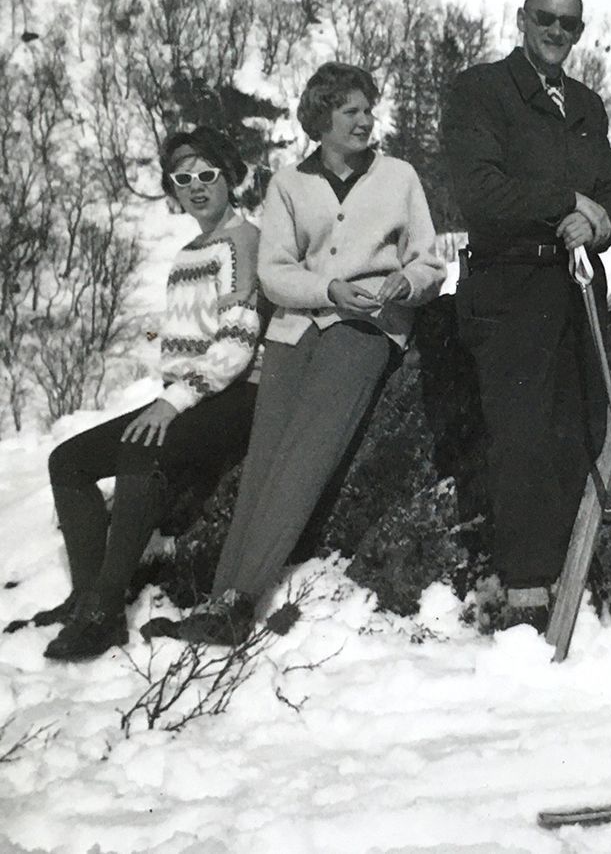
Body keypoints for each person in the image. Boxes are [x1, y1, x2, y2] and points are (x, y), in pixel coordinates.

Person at [153, 63, 445, 644]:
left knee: (307, 453)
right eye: (351, 112)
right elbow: (275, 273)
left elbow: (430, 262)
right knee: (265, 459)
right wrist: (327, 289)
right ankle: (216, 600)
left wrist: (404, 285)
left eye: (368, 109)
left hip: (367, 329)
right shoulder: (288, 184)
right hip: (291, 331)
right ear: (321, 120)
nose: (365, 121)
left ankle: (241, 600)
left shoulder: (399, 176)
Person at [25, 127, 263, 661]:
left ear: (230, 177)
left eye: (208, 174)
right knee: (69, 461)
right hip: (190, 395)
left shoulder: (242, 242)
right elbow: (183, 340)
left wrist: (170, 404)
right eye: (184, 178)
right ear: (173, 190)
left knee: (140, 449)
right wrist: (168, 386)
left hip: (236, 394)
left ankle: (106, 613)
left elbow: (236, 345)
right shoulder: (187, 254)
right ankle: (87, 595)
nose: (197, 186)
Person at [445, 0, 611, 632]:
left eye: (570, 24)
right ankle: (525, 590)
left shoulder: (585, 105)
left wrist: (597, 221)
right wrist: (564, 205)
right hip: (510, 285)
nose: (557, 31)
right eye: (547, 19)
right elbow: (480, 189)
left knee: (576, 427)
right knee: (519, 435)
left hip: (575, 287)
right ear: (522, 19)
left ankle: (565, 575)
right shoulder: (481, 91)